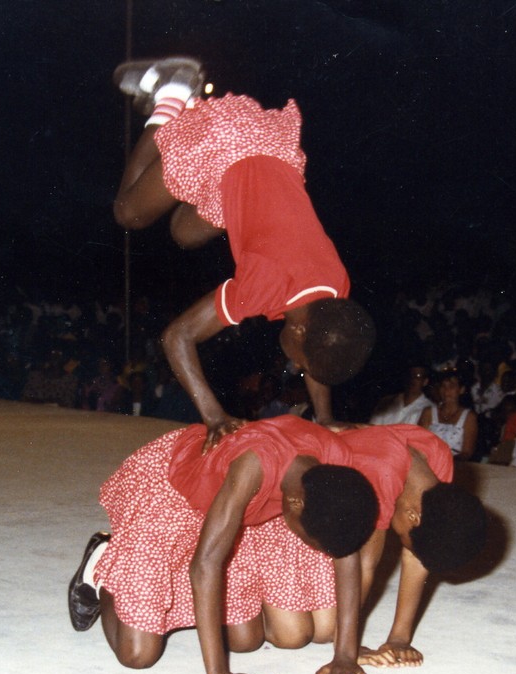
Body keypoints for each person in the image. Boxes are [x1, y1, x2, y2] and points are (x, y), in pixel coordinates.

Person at [111, 57, 376, 449]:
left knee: (184, 233)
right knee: (129, 214)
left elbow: (318, 347)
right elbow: (176, 337)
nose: (295, 369)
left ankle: (186, 123)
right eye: (299, 366)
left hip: (268, 156)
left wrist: (325, 418)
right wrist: (213, 416)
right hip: (228, 145)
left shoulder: (334, 290)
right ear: (299, 329)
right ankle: (172, 95)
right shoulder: (264, 284)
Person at [68, 416, 378, 674]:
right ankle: (104, 564)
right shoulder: (255, 464)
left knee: (246, 641)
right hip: (173, 490)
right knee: (138, 656)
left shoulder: (336, 466)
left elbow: (344, 552)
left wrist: (346, 654)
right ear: (295, 504)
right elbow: (205, 565)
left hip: (237, 503)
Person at [337, 425, 488, 667]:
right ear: (412, 516)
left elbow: (420, 551)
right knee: (323, 629)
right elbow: (364, 565)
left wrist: (400, 637)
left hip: (360, 468)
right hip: (294, 502)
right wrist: (347, 650)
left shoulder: (437, 459)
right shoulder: (379, 472)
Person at [417, 367, 479, 461]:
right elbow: (419, 444)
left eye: (452, 386)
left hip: (456, 467)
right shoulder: (428, 412)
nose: (446, 391)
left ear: (461, 390)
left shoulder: (469, 417)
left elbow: (467, 453)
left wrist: (446, 463)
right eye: (443, 386)